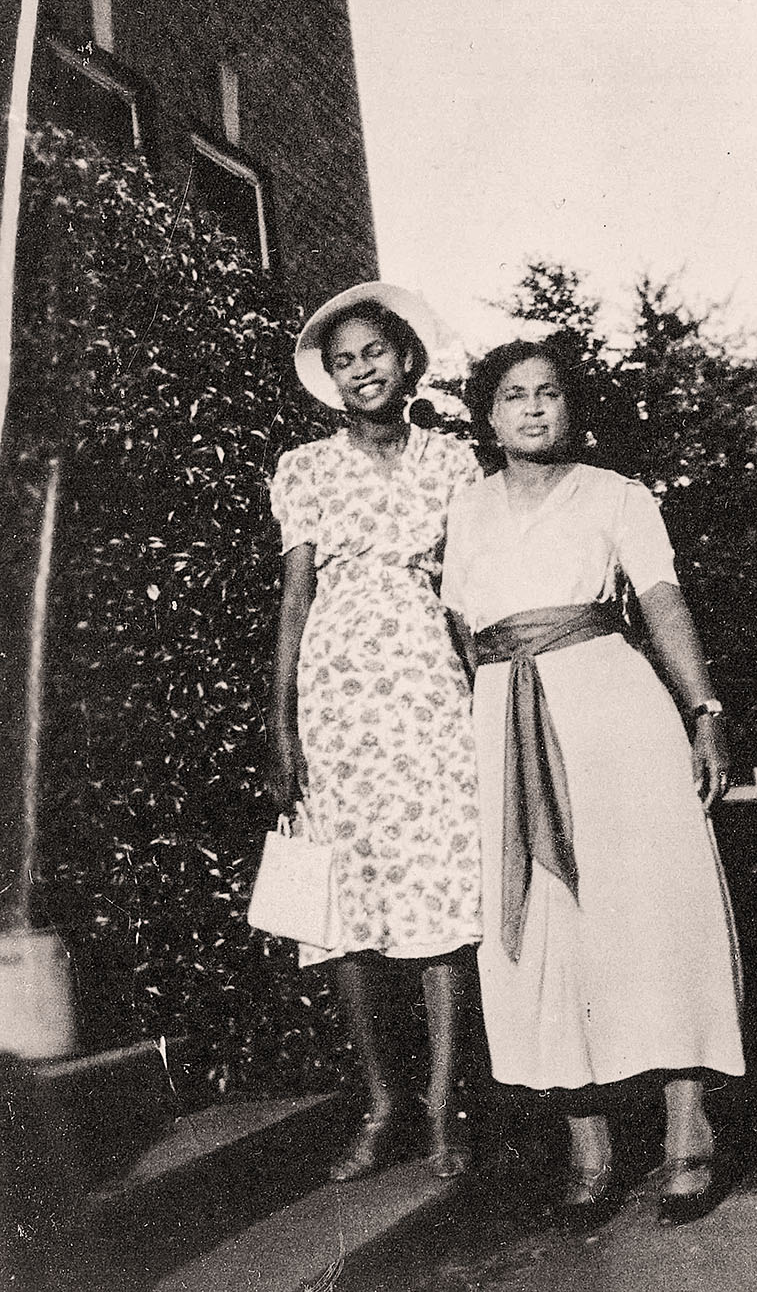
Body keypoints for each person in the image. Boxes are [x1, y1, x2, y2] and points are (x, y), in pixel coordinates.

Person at [442, 340, 744, 1230]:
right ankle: (589, 1147)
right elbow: (465, 634)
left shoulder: (618, 495)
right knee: (542, 929)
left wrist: (704, 708)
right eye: (513, 396)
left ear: (570, 408)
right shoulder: (464, 510)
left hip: (612, 716)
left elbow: (661, 601)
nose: (534, 409)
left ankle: (689, 1133)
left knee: (654, 911)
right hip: (506, 722)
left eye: (549, 394)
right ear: (487, 417)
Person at [267, 282, 482, 1182]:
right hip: (338, 704)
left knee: (441, 899)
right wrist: (281, 730)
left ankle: (442, 1110)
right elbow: (294, 601)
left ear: (407, 361)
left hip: (432, 697)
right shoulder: (305, 469)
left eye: (375, 354)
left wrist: (492, 697)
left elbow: (469, 597)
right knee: (344, 905)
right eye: (345, 359)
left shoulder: (455, 464)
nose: (362, 371)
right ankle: (382, 1102)